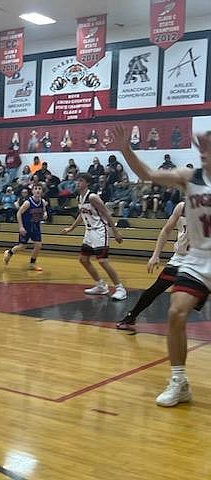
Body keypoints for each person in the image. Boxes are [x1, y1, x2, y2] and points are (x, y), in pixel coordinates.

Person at [115, 125, 211, 407]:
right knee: (175, 313)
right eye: (202, 148)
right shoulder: (189, 177)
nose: (203, 152)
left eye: (208, 149)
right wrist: (126, 150)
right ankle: (179, 381)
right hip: (197, 260)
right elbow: (147, 175)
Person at [117, 201, 204, 330]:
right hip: (181, 257)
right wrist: (155, 255)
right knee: (154, 290)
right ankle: (131, 317)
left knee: (194, 300)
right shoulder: (181, 207)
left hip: (201, 260)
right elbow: (166, 230)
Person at [61, 173, 127, 301]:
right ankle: (101, 286)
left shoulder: (92, 197)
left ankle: (120, 289)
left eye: (80, 181)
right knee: (83, 259)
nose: (77, 183)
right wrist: (71, 228)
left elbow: (107, 214)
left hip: (100, 230)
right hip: (89, 232)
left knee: (102, 260)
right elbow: (82, 214)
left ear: (87, 183)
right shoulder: (80, 198)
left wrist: (115, 232)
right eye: (77, 180)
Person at [3, 183, 48, 271]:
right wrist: (21, 227)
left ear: (42, 191)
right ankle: (9, 252)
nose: (38, 190)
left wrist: (45, 214)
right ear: (32, 191)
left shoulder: (42, 202)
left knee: (38, 245)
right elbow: (19, 213)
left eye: (39, 188)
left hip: (35, 226)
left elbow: (44, 211)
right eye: (36, 188)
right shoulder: (28, 202)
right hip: (26, 226)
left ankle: (32, 263)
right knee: (22, 247)